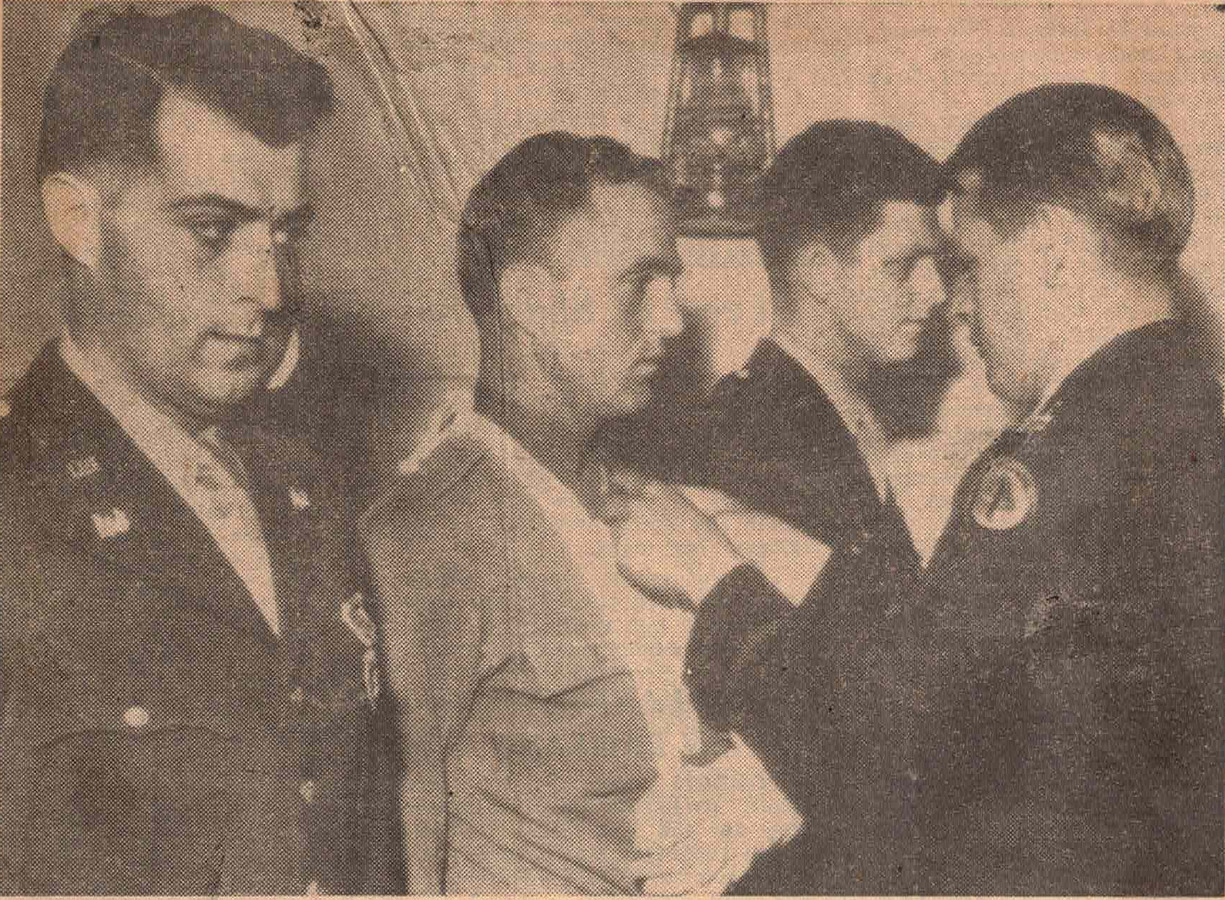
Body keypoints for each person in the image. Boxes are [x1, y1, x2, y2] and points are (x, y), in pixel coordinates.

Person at [611, 83, 1225, 894]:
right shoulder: (1180, 410)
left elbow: (904, 746)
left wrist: (717, 579)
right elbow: (1009, 700)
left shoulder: (1064, 460)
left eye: (969, 264)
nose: (955, 304)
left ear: (1049, 249)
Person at [0, 7, 404, 894]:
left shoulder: (307, 489)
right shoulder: (16, 501)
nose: (270, 288)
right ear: (77, 219)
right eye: (212, 230)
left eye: (285, 235)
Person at [360, 132, 801, 894]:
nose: (670, 320)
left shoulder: (641, 502)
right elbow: (397, 840)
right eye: (639, 283)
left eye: (670, 283)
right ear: (530, 301)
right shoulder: (426, 535)